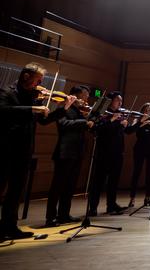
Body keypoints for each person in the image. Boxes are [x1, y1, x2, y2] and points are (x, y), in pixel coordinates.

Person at [0, 62, 74, 240]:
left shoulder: (33, 97)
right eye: (38, 80)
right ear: (26, 76)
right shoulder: (7, 92)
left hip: (24, 151)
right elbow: (3, 110)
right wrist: (32, 108)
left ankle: (10, 227)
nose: (39, 84)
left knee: (16, 191)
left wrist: (63, 109)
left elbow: (44, 121)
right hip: (5, 149)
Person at [45, 85, 94, 227]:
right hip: (64, 152)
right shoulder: (64, 107)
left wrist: (89, 118)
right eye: (84, 95)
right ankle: (51, 217)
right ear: (75, 95)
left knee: (70, 186)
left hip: (77, 152)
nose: (86, 99)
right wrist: (84, 122)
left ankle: (64, 214)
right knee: (57, 186)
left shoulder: (79, 110)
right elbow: (64, 124)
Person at [89, 91, 137, 216]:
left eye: (121, 101)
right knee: (98, 181)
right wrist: (112, 121)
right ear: (110, 101)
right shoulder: (103, 113)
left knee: (114, 181)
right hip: (104, 152)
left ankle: (111, 205)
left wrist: (137, 123)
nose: (120, 103)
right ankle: (93, 207)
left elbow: (128, 131)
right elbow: (97, 129)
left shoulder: (120, 115)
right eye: (117, 100)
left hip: (117, 152)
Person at [128, 103, 150, 207]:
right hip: (140, 148)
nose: (148, 111)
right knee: (136, 172)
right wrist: (144, 121)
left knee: (149, 174)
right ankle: (132, 199)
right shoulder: (138, 119)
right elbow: (132, 130)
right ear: (143, 110)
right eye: (146, 109)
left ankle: (147, 198)